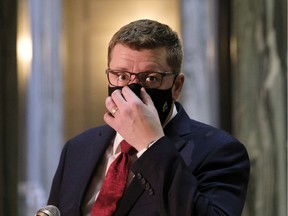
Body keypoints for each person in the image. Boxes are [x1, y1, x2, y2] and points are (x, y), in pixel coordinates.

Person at [47, 19, 250, 216]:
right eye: (122, 76)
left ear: (176, 86)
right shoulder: (78, 148)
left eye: (151, 78)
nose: (132, 90)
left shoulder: (219, 151)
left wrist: (150, 145)